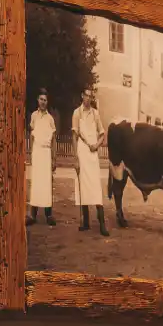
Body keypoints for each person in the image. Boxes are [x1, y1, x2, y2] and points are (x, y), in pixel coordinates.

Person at [71, 89, 108, 236]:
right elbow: (74, 136)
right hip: (82, 151)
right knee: (83, 186)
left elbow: (102, 134)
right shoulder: (76, 113)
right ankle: (86, 222)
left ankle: (102, 223)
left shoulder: (95, 114)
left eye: (90, 96)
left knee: (96, 187)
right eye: (86, 95)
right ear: (82, 96)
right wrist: (75, 158)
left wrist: (97, 145)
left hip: (92, 153)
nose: (88, 98)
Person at [26, 91, 55, 226]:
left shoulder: (50, 118)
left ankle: (49, 215)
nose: (43, 102)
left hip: (46, 152)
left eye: (45, 100)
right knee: (36, 183)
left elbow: (53, 140)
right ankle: (33, 215)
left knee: (47, 183)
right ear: (38, 100)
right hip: (37, 151)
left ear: (47, 102)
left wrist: (54, 158)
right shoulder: (34, 116)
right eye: (41, 99)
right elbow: (32, 136)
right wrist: (31, 153)